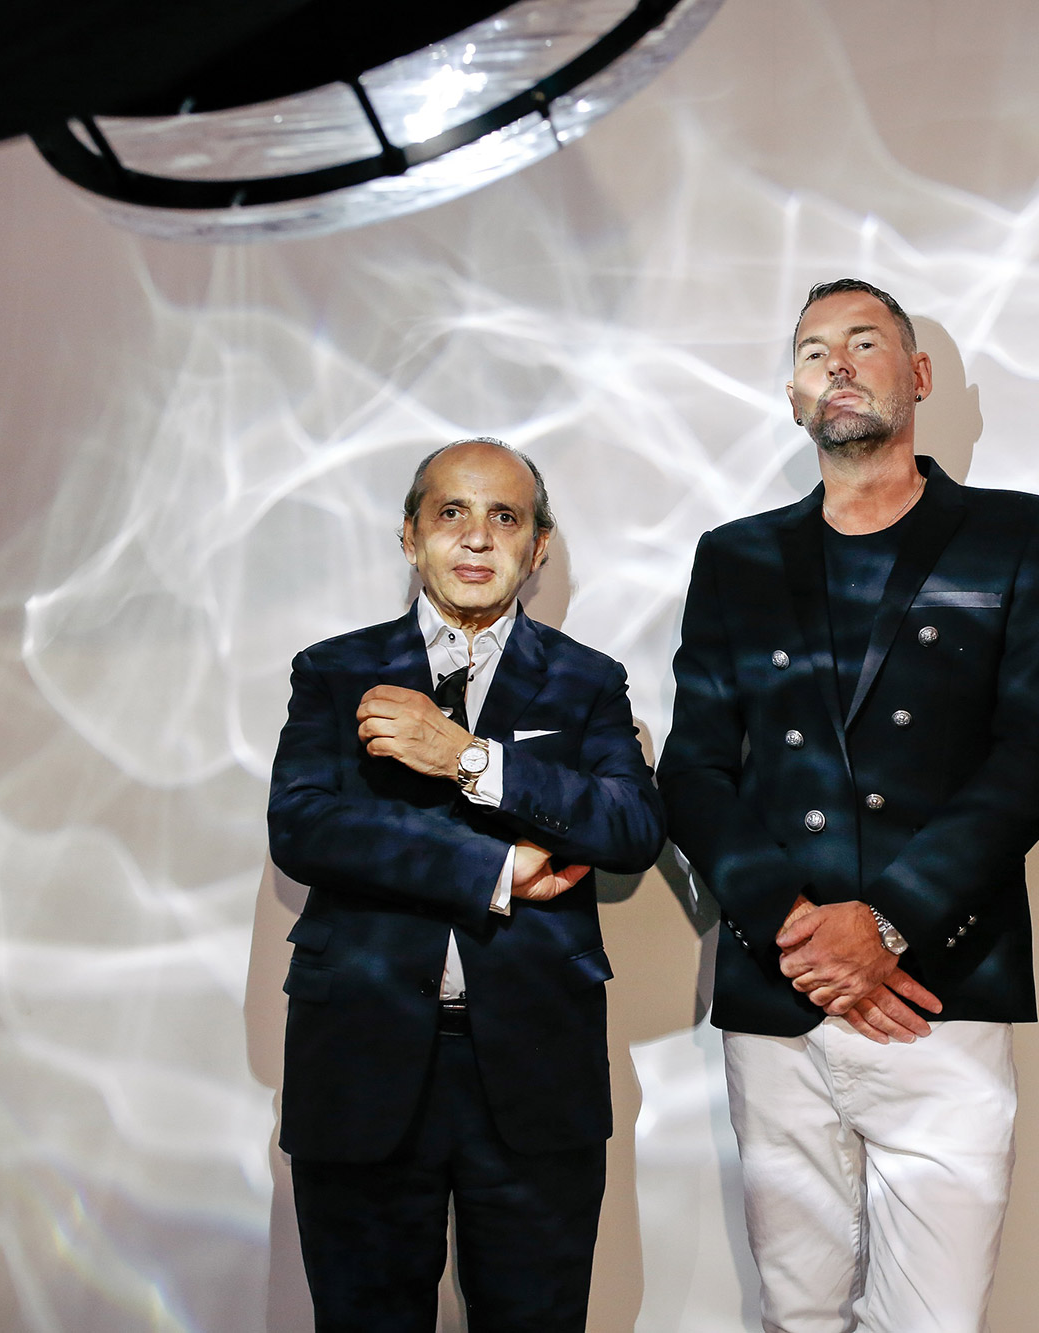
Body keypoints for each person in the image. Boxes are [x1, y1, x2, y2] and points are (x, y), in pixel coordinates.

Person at [659, 279, 1039, 1332]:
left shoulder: (1014, 533)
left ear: (918, 374)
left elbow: (1032, 755)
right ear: (793, 397)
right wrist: (796, 929)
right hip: (781, 989)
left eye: (863, 341)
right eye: (812, 352)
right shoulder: (734, 555)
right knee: (795, 1313)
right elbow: (693, 769)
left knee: (933, 1321)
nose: (836, 365)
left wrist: (886, 921)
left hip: (937, 990)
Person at [267, 438, 665, 1333]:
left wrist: (468, 760)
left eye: (504, 517)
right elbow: (305, 827)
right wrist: (494, 866)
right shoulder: (333, 671)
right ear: (411, 536)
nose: (477, 537)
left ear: (538, 545)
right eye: (451, 512)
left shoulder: (588, 681)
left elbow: (631, 828)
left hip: (537, 1070)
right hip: (359, 1061)